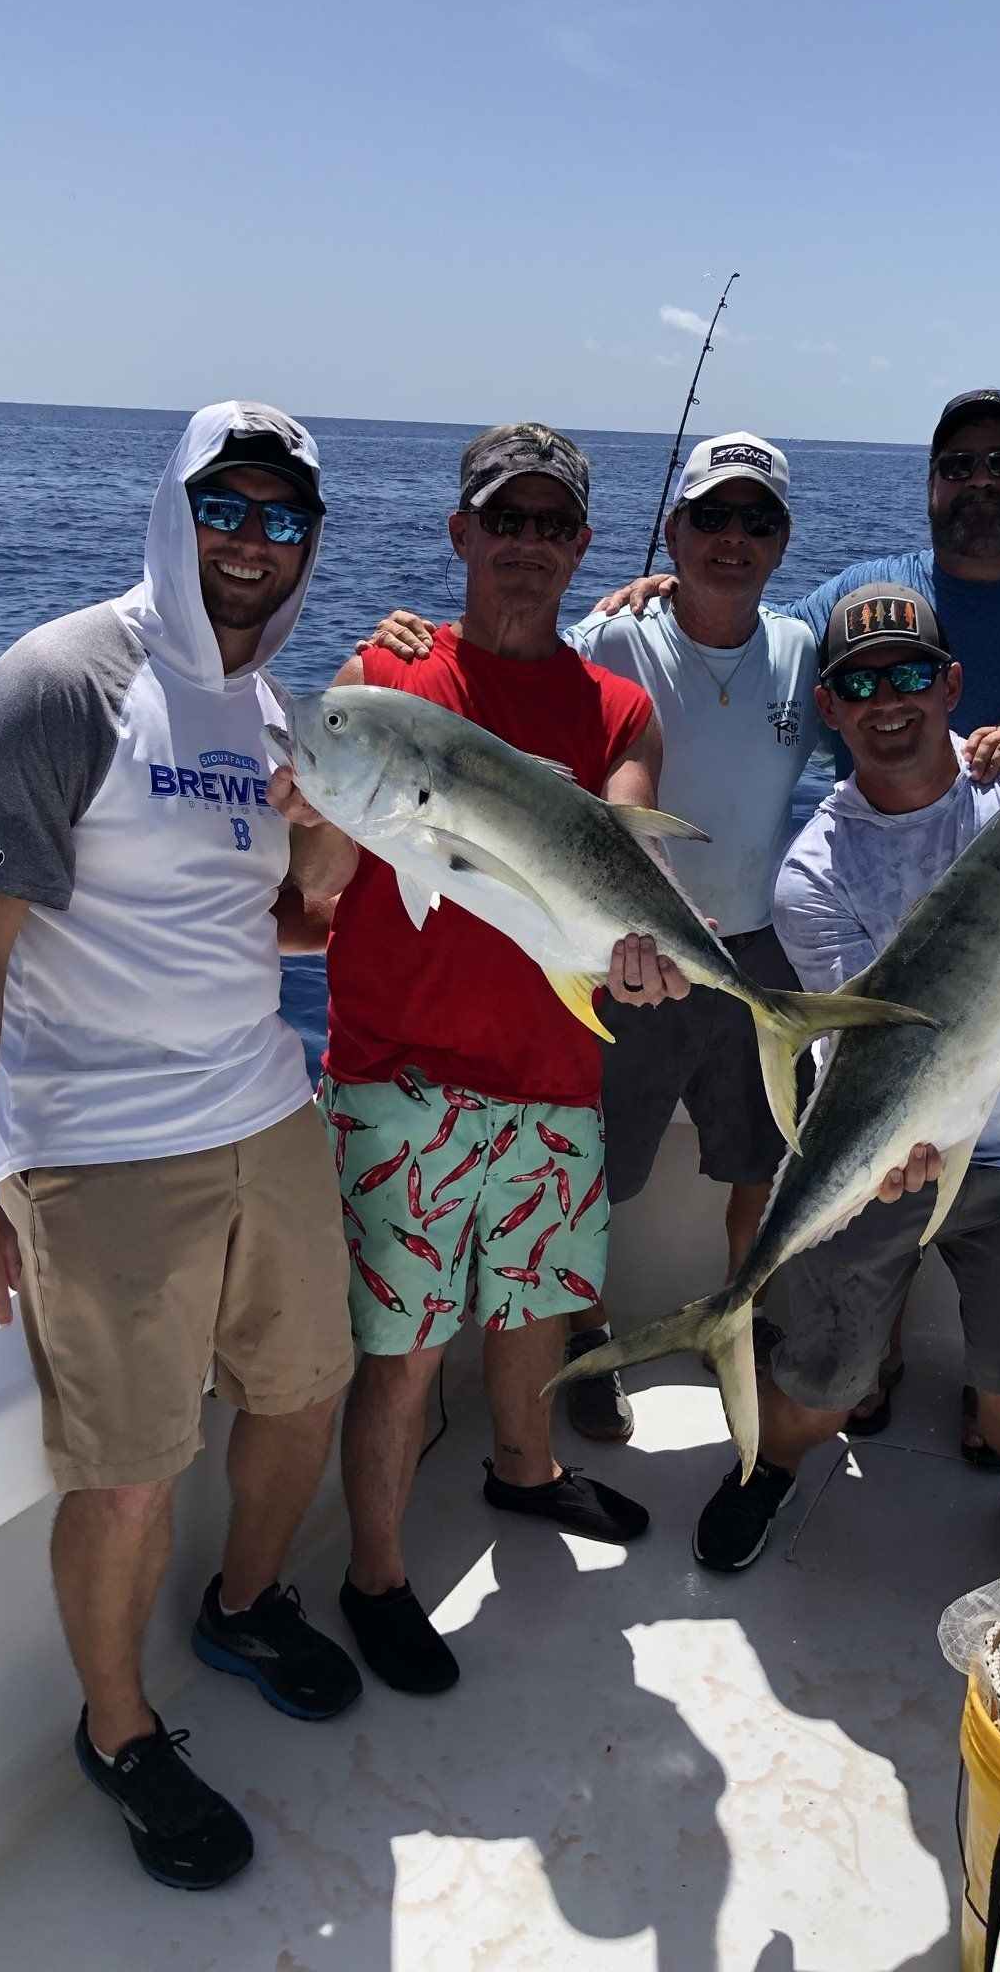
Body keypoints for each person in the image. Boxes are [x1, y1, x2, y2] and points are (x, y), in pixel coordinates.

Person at [0, 403, 365, 1891]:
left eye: (282, 518)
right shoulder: (59, 682)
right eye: (224, 507)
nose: (251, 541)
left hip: (266, 1112)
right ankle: (117, 1732)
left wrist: (337, 844)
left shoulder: (278, 716)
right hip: (98, 1151)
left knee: (308, 1393)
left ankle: (242, 1606)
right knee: (127, 1478)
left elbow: (287, 930)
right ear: (175, 512)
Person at [595, 388, 1000, 1453]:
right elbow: (760, 628)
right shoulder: (863, 620)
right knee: (844, 1355)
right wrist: (669, 595)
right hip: (891, 1049)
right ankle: (822, 1380)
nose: (980, 481)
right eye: (957, 462)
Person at [690, 583, 1000, 1574]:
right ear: (831, 708)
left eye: (914, 672)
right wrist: (894, 1140)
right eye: (861, 681)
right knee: (816, 1400)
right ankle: (766, 1454)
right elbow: (856, 1046)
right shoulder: (814, 870)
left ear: (952, 682)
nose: (891, 698)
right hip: (897, 1148)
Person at [294, 423, 673, 1699]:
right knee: (398, 1352)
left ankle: (526, 1469)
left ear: (581, 549)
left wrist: (648, 938)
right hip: (398, 1078)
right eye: (502, 520)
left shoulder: (617, 705)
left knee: (533, 1307)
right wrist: (308, 817)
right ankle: (378, 1576)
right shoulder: (384, 682)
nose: (525, 544)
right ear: (460, 534)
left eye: (551, 524)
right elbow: (323, 879)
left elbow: (626, 848)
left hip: (557, 1071)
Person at [355, 433, 820, 1442]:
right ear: (672, 528)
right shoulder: (618, 634)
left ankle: (746, 1318)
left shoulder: (807, 645)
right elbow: (531, 666)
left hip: (741, 941)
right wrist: (389, 647)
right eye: (711, 517)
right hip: (614, 946)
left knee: (759, 1157)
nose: (731, 539)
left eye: (757, 521)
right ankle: (586, 1341)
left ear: (784, 543)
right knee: (610, 1169)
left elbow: (896, 684)